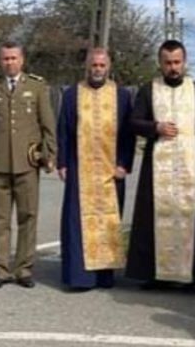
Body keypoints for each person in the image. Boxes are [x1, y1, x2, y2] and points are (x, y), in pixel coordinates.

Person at [125, 39, 195, 290]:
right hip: (158, 167)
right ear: (160, 63)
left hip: (191, 166)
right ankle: (155, 274)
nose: (173, 68)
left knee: (192, 219)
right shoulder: (148, 90)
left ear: (184, 62)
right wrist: (156, 127)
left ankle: (190, 276)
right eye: (168, 63)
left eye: (177, 62)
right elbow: (133, 122)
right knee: (154, 218)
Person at [0, 42, 57, 290]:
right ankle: (1, 269)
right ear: (0, 61)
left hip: (27, 163)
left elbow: (47, 123)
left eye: (13, 58)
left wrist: (50, 154)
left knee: (28, 216)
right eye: (5, 59)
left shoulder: (37, 86)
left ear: (22, 60)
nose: (9, 62)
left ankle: (23, 268)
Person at [56, 48, 135, 291]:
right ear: (87, 67)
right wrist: (62, 162)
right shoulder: (72, 94)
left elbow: (128, 133)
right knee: (77, 223)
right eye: (94, 65)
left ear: (108, 67)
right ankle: (79, 277)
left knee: (108, 221)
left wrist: (124, 163)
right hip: (80, 168)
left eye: (102, 65)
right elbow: (63, 130)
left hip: (111, 170)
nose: (98, 69)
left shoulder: (121, 96)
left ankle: (104, 275)